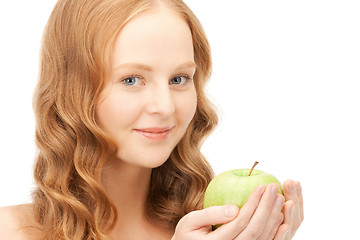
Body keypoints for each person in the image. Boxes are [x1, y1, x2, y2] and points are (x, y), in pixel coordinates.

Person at [0, 0, 303, 239]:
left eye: (179, 78)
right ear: (73, 90)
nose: (165, 106)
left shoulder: (218, 229)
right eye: (132, 79)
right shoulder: (11, 231)